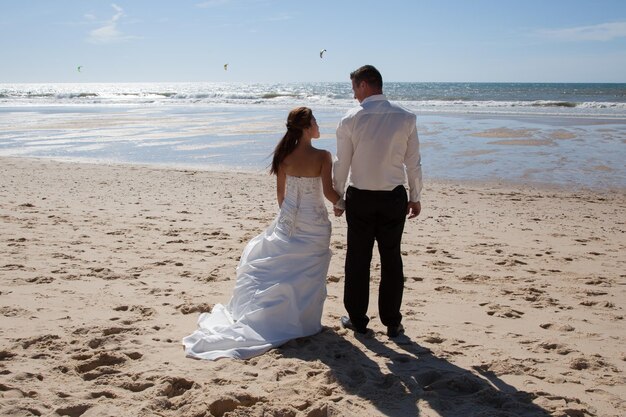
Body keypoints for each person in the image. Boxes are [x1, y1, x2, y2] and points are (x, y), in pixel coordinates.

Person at [183, 107, 341, 360]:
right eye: (315, 121)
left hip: (288, 219)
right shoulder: (323, 155)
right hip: (314, 223)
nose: (318, 125)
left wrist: (288, 218)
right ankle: (303, 322)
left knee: (282, 266)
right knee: (308, 271)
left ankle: (285, 319)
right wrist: (344, 203)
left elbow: (281, 196)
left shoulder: (284, 155)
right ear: (306, 127)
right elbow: (329, 193)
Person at [333, 65, 422, 338]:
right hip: (393, 198)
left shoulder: (350, 119)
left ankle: (358, 319)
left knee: (358, 259)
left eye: (354, 89)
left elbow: (342, 164)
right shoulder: (406, 117)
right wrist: (415, 196)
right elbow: (413, 163)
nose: (353, 96)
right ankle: (392, 322)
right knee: (391, 257)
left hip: (360, 197)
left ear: (364, 85)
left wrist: (338, 198)